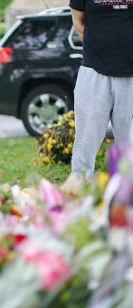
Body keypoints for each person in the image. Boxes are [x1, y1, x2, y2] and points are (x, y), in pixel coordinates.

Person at [70, 1, 133, 179]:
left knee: (130, 148)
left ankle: (126, 198)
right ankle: (79, 193)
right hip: (93, 73)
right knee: (85, 143)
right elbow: (77, 21)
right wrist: (100, 50)